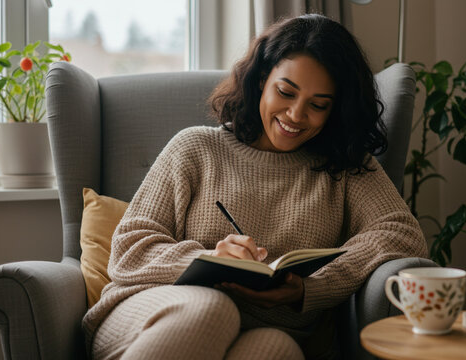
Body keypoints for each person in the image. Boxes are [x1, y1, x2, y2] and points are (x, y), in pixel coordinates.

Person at [82, 14, 427, 360]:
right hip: (148, 314)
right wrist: (208, 258)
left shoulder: (347, 169)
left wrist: (313, 287)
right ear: (262, 78)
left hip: (264, 329)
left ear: (336, 108)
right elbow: (128, 251)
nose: (295, 114)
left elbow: (402, 234)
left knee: (278, 351)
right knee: (212, 308)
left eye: (318, 105)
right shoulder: (195, 148)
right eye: (285, 92)